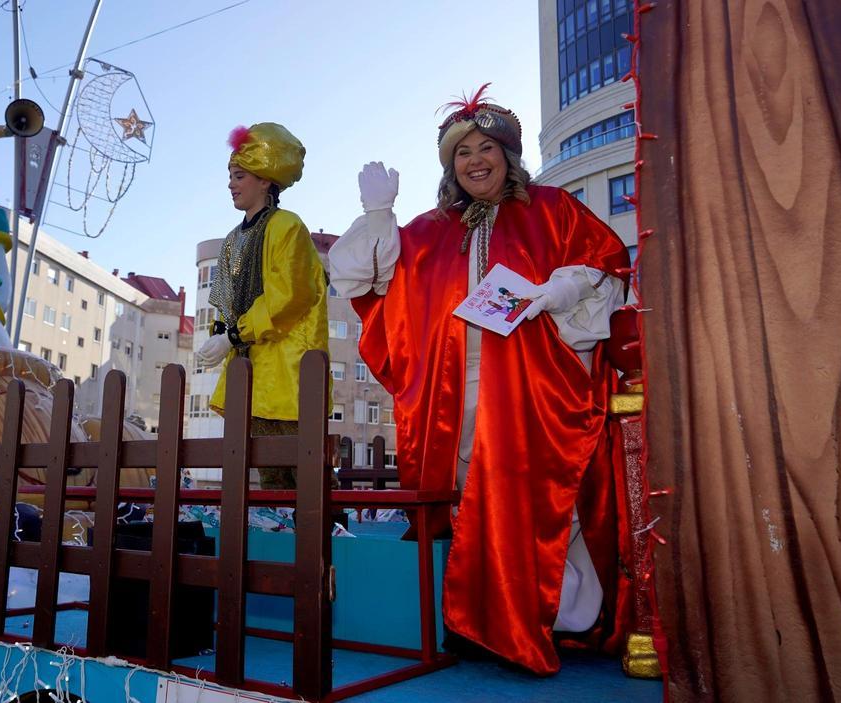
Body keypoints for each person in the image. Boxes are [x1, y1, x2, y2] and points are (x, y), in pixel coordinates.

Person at [328, 85, 631, 675]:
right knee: (468, 505)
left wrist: (560, 290)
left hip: (529, 388)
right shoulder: (426, 230)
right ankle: (475, 622)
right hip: (450, 392)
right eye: (462, 152)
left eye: (485, 147)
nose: (474, 160)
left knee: (541, 504)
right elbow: (367, 283)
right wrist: (378, 216)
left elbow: (608, 268)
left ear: (508, 155)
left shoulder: (551, 208)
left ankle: (548, 619)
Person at [194, 123, 330, 489]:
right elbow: (225, 305)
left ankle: (320, 540)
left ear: (266, 180)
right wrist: (221, 333)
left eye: (239, 175)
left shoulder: (287, 227)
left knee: (305, 476)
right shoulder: (231, 242)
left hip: (289, 374)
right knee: (270, 477)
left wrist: (234, 334)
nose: (231, 184)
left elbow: (290, 295)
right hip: (250, 377)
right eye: (230, 176)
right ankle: (281, 542)